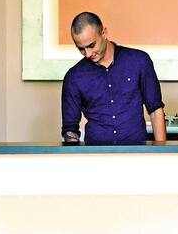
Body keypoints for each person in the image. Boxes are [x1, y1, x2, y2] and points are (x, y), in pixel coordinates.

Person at [61, 12, 166, 145]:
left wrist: (161, 151)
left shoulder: (139, 61)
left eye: (91, 45)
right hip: (95, 153)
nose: (87, 54)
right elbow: (70, 129)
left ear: (104, 33)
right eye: (81, 49)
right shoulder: (74, 76)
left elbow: (155, 110)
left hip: (137, 151)